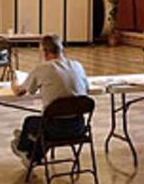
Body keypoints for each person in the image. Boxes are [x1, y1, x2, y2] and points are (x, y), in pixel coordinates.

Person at [9, 35, 89, 167]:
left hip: (55, 130)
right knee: (41, 122)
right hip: (78, 127)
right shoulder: (77, 66)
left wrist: (14, 83)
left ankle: (23, 147)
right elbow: (86, 90)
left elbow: (19, 92)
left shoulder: (42, 69)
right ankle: (30, 149)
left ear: (45, 51)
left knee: (30, 122)